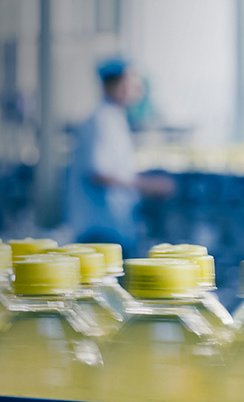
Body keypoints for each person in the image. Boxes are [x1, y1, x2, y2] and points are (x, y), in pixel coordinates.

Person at [68, 59, 174, 256]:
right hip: (99, 231)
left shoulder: (115, 118)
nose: (136, 90)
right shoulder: (100, 121)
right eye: (130, 83)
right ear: (113, 85)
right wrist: (148, 185)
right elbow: (99, 174)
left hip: (115, 227)